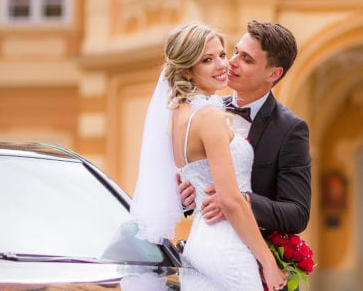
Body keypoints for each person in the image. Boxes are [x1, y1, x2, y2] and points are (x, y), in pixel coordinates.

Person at [129, 23, 287, 291]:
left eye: (222, 55)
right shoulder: (210, 117)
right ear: (188, 69)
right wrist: (268, 262)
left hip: (199, 248)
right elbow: (231, 201)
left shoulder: (179, 116)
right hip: (229, 249)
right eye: (207, 60)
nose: (222, 65)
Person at [179, 20, 311, 244]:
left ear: (273, 74)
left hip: (251, 256)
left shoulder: (290, 129)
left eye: (246, 59)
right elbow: (188, 184)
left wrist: (241, 201)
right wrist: (183, 199)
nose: (231, 63)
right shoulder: (203, 113)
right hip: (204, 244)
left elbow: (297, 214)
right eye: (235, 52)